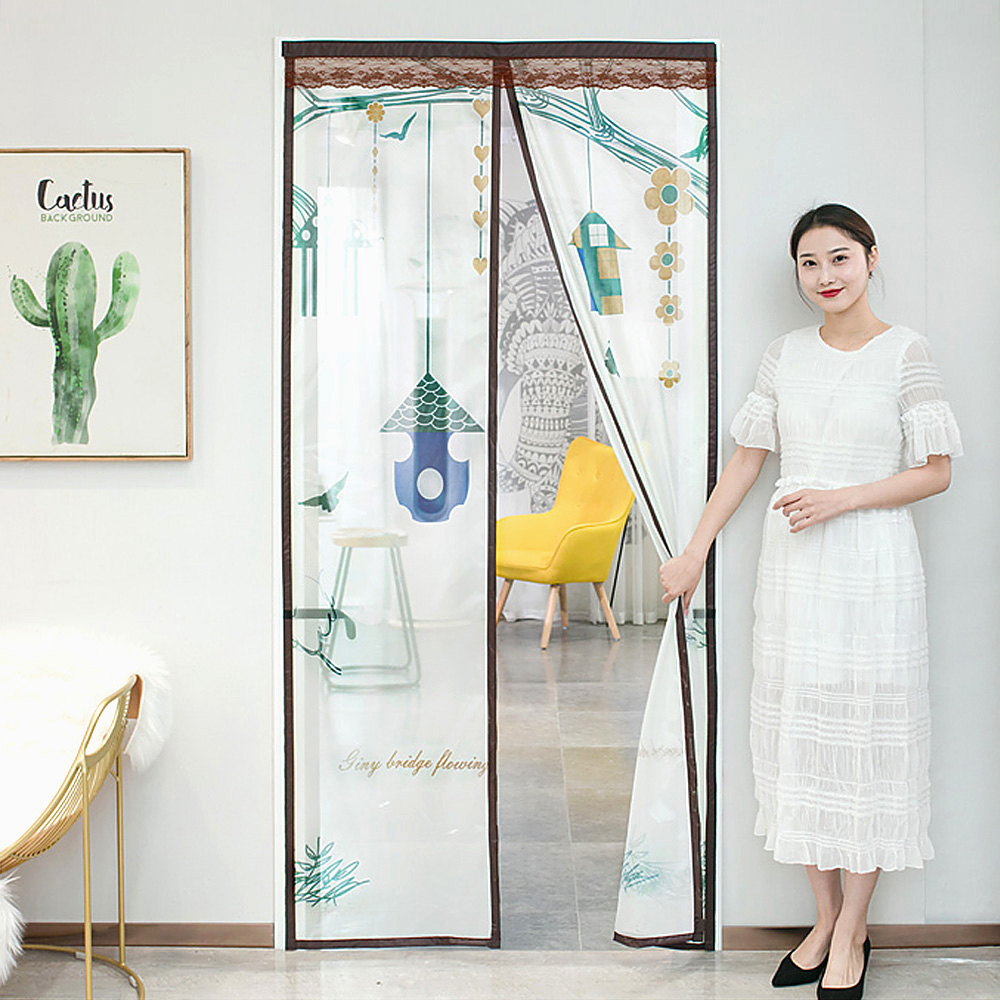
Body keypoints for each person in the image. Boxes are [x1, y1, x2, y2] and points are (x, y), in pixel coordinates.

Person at [659, 204, 962, 999]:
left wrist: (842, 498)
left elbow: (936, 470)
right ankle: (823, 920)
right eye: (809, 263)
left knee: (866, 740)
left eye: (839, 258)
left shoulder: (907, 353)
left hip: (874, 570)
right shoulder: (783, 355)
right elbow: (746, 463)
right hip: (795, 573)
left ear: (870, 258)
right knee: (800, 739)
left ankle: (854, 930)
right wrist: (694, 552)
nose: (825, 276)